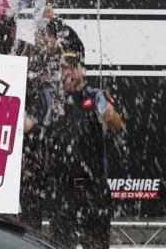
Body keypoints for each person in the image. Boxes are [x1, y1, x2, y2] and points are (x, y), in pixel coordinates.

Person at [43, 29, 122, 249]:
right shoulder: (50, 98)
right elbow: (28, 123)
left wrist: (109, 115)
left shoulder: (95, 95)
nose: (68, 72)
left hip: (93, 189)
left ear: (82, 71)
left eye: (73, 67)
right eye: (63, 67)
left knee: (96, 245)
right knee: (60, 245)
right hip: (62, 191)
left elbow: (117, 124)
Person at [0, 4, 62, 230]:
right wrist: (10, 13)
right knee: (8, 210)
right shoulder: (25, 50)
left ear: (56, 39)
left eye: (49, 33)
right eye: (40, 31)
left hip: (42, 144)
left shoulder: (62, 61)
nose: (43, 37)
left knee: (33, 211)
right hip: (14, 141)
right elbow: (0, 37)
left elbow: (52, 97)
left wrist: (54, 20)